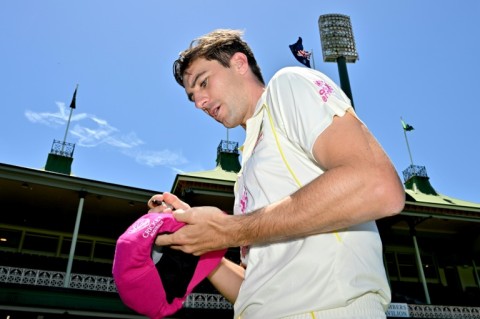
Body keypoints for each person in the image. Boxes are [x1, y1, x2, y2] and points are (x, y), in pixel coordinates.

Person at [148, 29, 405, 319]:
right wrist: (200, 242)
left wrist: (227, 230)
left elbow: (377, 185)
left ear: (239, 63)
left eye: (204, 83)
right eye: (192, 97)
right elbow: (257, 288)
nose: (199, 103)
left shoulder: (287, 86)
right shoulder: (246, 173)